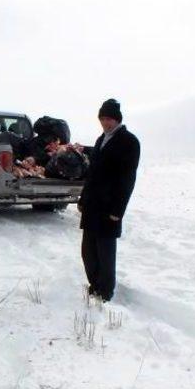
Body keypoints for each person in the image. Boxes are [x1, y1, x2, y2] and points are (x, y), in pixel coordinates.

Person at [78, 99, 140, 301]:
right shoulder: (100, 139)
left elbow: (127, 179)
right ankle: (94, 285)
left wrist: (118, 210)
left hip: (109, 206)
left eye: (109, 119)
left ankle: (105, 292)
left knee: (105, 252)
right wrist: (82, 199)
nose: (105, 123)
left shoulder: (129, 142)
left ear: (117, 119)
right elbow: (92, 174)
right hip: (92, 205)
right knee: (88, 251)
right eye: (102, 119)